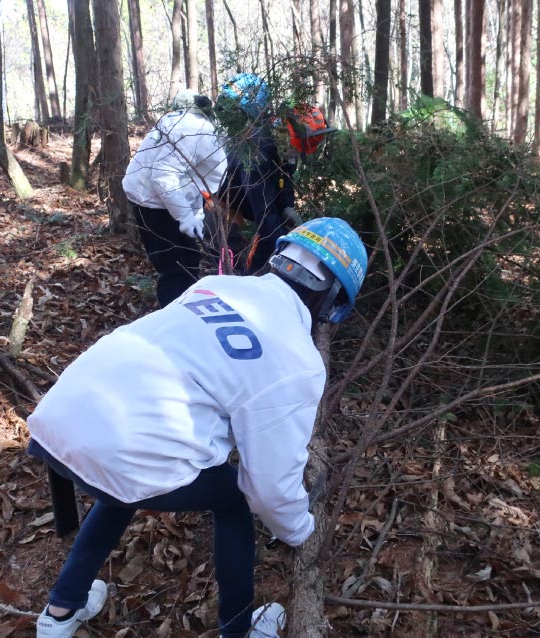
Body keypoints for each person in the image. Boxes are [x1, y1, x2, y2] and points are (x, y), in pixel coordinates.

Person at [27, 217, 368, 638]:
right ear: (333, 300)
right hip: (118, 449)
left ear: (279, 260)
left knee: (125, 475)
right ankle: (238, 630)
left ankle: (60, 610)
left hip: (59, 416)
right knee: (235, 499)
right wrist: (299, 530)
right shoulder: (298, 362)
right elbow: (270, 488)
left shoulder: (218, 285)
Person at [123, 90, 228, 307]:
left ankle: (188, 308)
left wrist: (196, 214)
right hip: (150, 199)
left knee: (189, 260)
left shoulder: (199, 127)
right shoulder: (195, 131)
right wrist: (185, 217)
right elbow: (164, 177)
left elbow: (190, 177)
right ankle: (173, 315)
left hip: (166, 194)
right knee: (173, 268)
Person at [216, 74, 300, 274]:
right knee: (232, 242)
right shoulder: (257, 147)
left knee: (271, 227)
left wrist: (287, 206)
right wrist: (284, 245)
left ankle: (253, 272)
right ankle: (230, 281)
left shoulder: (279, 141)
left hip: (239, 192)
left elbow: (284, 178)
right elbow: (264, 209)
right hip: (221, 196)